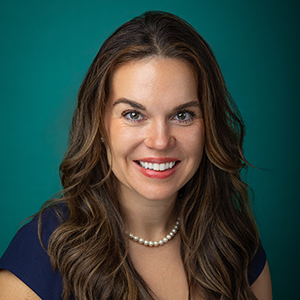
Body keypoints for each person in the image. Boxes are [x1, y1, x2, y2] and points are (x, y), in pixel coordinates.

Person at [0, 11, 272, 300]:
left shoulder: (239, 248)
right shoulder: (41, 254)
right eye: (134, 114)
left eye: (182, 115)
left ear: (209, 125)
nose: (159, 141)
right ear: (100, 124)